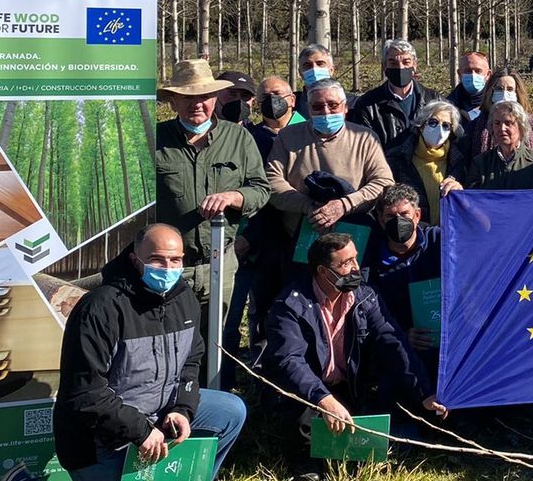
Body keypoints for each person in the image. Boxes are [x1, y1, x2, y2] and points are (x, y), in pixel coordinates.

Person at [0, 225, 247, 481]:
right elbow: (84, 394)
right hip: (94, 438)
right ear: (135, 260)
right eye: (157, 260)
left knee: (230, 411)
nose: (168, 269)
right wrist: (140, 430)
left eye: (176, 261)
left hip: (155, 415)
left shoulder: (184, 299)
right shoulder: (100, 308)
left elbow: (190, 361)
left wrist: (182, 409)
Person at [264, 231, 446, 476]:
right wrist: (324, 399)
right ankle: (305, 464)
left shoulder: (366, 296)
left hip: (352, 384)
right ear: (322, 271)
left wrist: (423, 391)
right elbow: (289, 361)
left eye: (355, 259)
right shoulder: (289, 306)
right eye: (345, 263)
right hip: (309, 391)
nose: (355, 268)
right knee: (302, 427)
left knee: (387, 427)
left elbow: (393, 342)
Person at [153, 59, 270, 305]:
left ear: (215, 97)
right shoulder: (154, 139)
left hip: (221, 264)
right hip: (170, 268)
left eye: (204, 96)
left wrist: (234, 197)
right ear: (173, 101)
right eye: (187, 97)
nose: (197, 103)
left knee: (215, 338)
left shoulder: (238, 137)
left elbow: (260, 189)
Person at [266, 77, 395, 247]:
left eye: (333, 105)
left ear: (345, 106)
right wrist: (308, 207)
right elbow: (271, 181)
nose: (326, 112)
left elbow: (383, 182)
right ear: (309, 109)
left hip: (353, 238)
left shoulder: (365, 138)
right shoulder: (287, 137)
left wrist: (344, 204)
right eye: (317, 107)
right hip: (300, 239)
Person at [363, 184, 442, 377]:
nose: (398, 221)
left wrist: (461, 197)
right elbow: (368, 314)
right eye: (390, 216)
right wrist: (403, 335)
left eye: (405, 214)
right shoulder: (370, 260)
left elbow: (480, 231)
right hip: (400, 354)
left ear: (417, 215)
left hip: (446, 349)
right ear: (381, 220)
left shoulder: (439, 241)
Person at [384, 99, 467, 224]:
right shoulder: (396, 159)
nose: (440, 129)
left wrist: (462, 191)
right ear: (421, 126)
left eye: (446, 126)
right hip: (413, 235)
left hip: (450, 234)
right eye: (433, 122)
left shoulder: (461, 162)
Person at [460, 101, 533, 191]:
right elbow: (470, 199)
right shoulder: (481, 162)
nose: (502, 128)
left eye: (508, 123)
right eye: (497, 123)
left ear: (521, 127)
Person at [348, 39, 435, 146]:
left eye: (406, 62)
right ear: (384, 67)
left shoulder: (434, 101)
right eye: (393, 63)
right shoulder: (367, 105)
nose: (400, 67)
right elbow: (363, 147)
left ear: (415, 65)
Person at [463, 68, 533, 163]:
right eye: (499, 89)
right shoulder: (475, 126)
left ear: (517, 93)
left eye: (510, 89)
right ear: (490, 92)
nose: (504, 93)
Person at [246, 76, 306, 162]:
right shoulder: (251, 138)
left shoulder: (311, 132)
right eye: (265, 96)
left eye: (277, 94)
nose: (271, 99)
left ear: (292, 100)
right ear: (258, 104)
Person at [448, 51, 493, 122]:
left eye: (478, 71)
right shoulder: (447, 106)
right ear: (460, 74)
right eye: (468, 71)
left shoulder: (496, 104)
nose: (473, 75)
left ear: (488, 75)